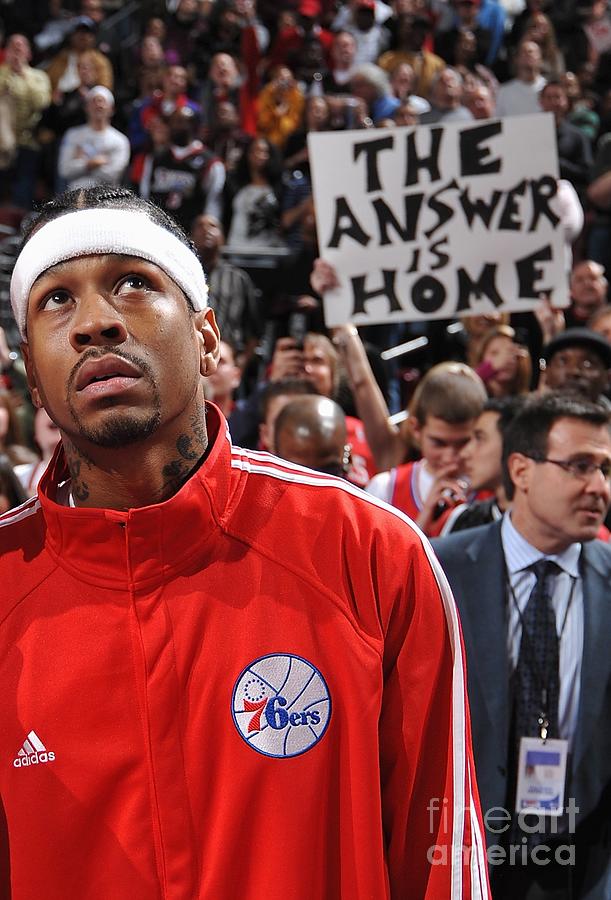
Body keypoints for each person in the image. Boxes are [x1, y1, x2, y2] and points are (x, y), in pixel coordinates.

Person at [0, 185, 489, 898]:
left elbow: (440, 860)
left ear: (206, 336)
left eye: (132, 283)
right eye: (56, 301)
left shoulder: (371, 553)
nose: (95, 322)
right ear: (33, 383)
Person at [432, 393, 611, 899]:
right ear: (521, 470)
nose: (599, 487)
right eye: (580, 466)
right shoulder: (439, 569)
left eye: (605, 468)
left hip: (582, 868)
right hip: (457, 858)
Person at [366, 362, 486, 536]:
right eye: (439, 443)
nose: (450, 456)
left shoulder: (496, 488)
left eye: (463, 443)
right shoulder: (385, 488)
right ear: (416, 429)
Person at [442, 396, 526, 533]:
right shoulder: (462, 521)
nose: (464, 453)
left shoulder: (558, 528)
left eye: (480, 438)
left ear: (513, 444)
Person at [57, 86, 130, 191]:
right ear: (86, 107)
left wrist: (81, 162)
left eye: (102, 101)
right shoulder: (73, 135)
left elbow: (113, 175)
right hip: (76, 198)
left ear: (112, 109)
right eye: (94, 101)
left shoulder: (120, 140)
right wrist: (93, 163)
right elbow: (65, 170)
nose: (98, 105)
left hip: (107, 199)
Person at [273, 394, 351, 477]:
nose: (313, 481)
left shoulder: (356, 489)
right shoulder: (261, 487)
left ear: (348, 457)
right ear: (274, 454)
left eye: (327, 470)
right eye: (298, 471)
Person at [540, 327, 611, 404]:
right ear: (546, 372)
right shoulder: (528, 414)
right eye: (563, 361)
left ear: (607, 378)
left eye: (588, 364)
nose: (574, 371)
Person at [495, 39, 546, 117]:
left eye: (531, 52)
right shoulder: (504, 92)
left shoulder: (548, 88)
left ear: (540, 58)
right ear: (516, 59)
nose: (529, 55)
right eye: (524, 52)